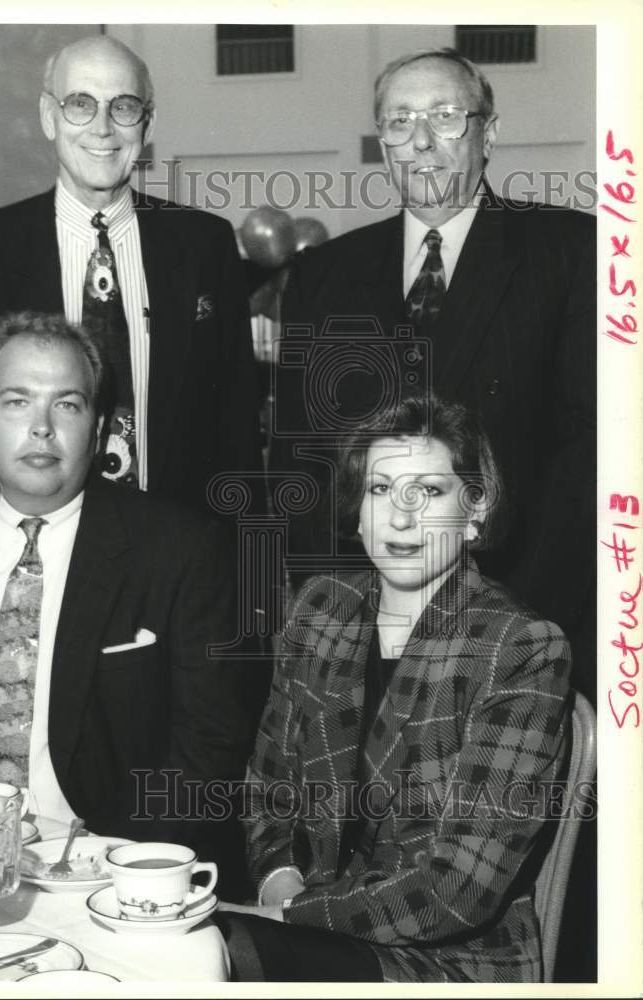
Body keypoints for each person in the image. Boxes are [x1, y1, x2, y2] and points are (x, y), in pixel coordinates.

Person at [271, 47, 595, 698]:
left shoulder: (572, 254)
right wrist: (336, 611)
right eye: (399, 121)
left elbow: (586, 458)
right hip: (364, 635)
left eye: (445, 116)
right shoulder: (323, 275)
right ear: (383, 141)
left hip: (518, 625)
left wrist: (511, 620)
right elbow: (301, 462)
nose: (421, 141)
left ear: (489, 133)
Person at [0, 312, 263, 896]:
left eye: (67, 405)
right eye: (16, 402)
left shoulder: (180, 548)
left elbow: (211, 743)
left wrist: (126, 869)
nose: (41, 428)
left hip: (101, 865)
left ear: (97, 430)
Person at [215, 393, 572, 982]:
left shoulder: (520, 646)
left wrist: (291, 914)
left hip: (447, 960)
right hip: (306, 924)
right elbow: (268, 784)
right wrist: (279, 877)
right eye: (381, 491)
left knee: (222, 954)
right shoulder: (321, 607)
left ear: (475, 511)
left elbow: (458, 887)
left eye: (428, 492)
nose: (401, 518)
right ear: (358, 513)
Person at [0, 34, 262, 513]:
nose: (103, 129)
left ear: (148, 124)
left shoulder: (206, 244)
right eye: (81, 104)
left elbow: (237, 433)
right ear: (49, 117)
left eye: (123, 107)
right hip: (35, 547)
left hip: (178, 555)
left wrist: (250, 573)